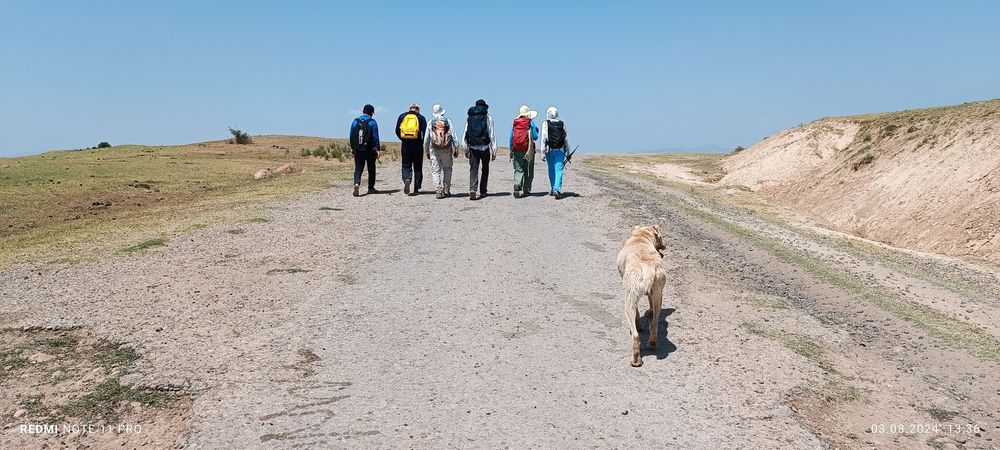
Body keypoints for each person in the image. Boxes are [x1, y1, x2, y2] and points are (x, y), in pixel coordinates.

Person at [462, 99, 497, 200]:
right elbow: (492, 135)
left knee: (473, 168)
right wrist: (494, 150)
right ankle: (483, 191)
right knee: (485, 168)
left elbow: (465, 133)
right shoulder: (488, 118)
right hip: (484, 147)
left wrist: (466, 148)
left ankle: (473, 189)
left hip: (472, 146)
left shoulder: (470, 117)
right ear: (485, 107)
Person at [423, 104, 460, 199]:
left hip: (434, 149)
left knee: (436, 171)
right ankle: (446, 190)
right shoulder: (448, 121)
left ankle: (438, 191)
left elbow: (426, 138)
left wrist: (427, 150)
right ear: (442, 112)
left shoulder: (430, 122)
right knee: (447, 169)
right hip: (447, 149)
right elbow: (454, 136)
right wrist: (456, 148)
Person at [396, 103, 428, 196]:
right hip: (417, 146)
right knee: (418, 167)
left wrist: (403, 139)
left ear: (410, 109)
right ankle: (416, 188)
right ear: (418, 109)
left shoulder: (402, 116)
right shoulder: (421, 118)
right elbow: (425, 132)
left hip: (405, 145)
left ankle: (407, 179)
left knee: (406, 165)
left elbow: (397, 130)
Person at [349, 104, 381, 197]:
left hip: (358, 149)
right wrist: (378, 149)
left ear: (363, 111)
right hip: (370, 149)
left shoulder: (355, 121)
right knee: (371, 168)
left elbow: (351, 135)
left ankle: (357, 183)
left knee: (358, 167)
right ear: (372, 112)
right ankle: (371, 188)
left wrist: (352, 147)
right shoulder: (373, 122)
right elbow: (375, 137)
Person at [540, 106, 571, 199]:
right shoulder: (562, 123)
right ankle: (557, 189)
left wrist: (542, 152)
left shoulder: (545, 123)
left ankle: (553, 188)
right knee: (559, 169)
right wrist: (568, 152)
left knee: (551, 169)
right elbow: (566, 138)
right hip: (560, 150)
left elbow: (544, 138)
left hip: (549, 150)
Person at [508, 105, 539, 198]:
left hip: (517, 149)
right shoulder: (530, 123)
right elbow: (536, 137)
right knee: (528, 169)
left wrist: (511, 149)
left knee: (518, 168)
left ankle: (517, 184)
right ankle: (526, 189)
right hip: (528, 149)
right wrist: (536, 130)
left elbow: (511, 137)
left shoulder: (516, 123)